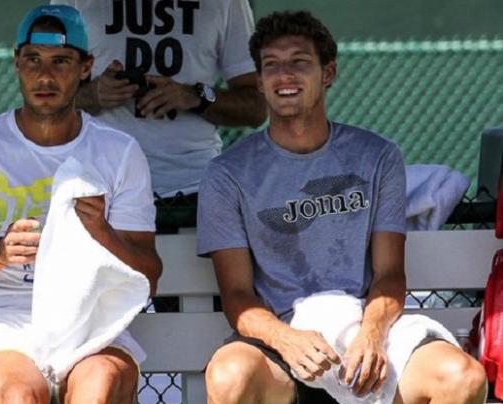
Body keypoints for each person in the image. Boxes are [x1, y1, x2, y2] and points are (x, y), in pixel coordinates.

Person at [197, 10, 487, 404]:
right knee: (230, 377)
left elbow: (389, 274)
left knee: (462, 378)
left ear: (327, 73)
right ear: (261, 82)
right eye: (271, 66)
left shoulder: (377, 156)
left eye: (299, 62)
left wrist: (371, 336)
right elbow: (236, 295)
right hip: (281, 344)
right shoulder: (227, 173)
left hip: (364, 329)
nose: (284, 75)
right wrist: (286, 340)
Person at [0, 5, 162, 404]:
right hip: (5, 321)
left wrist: (101, 232)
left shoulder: (118, 151)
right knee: (18, 396)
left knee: (99, 389)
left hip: (93, 323)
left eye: (61, 61)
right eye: (33, 60)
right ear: (17, 62)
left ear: (86, 67)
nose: (45, 75)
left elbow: (149, 278)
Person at [51, 0, 267, 202]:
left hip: (194, 189)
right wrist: (94, 94)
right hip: (99, 188)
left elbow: (257, 108)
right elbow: (46, 100)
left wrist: (195, 96)